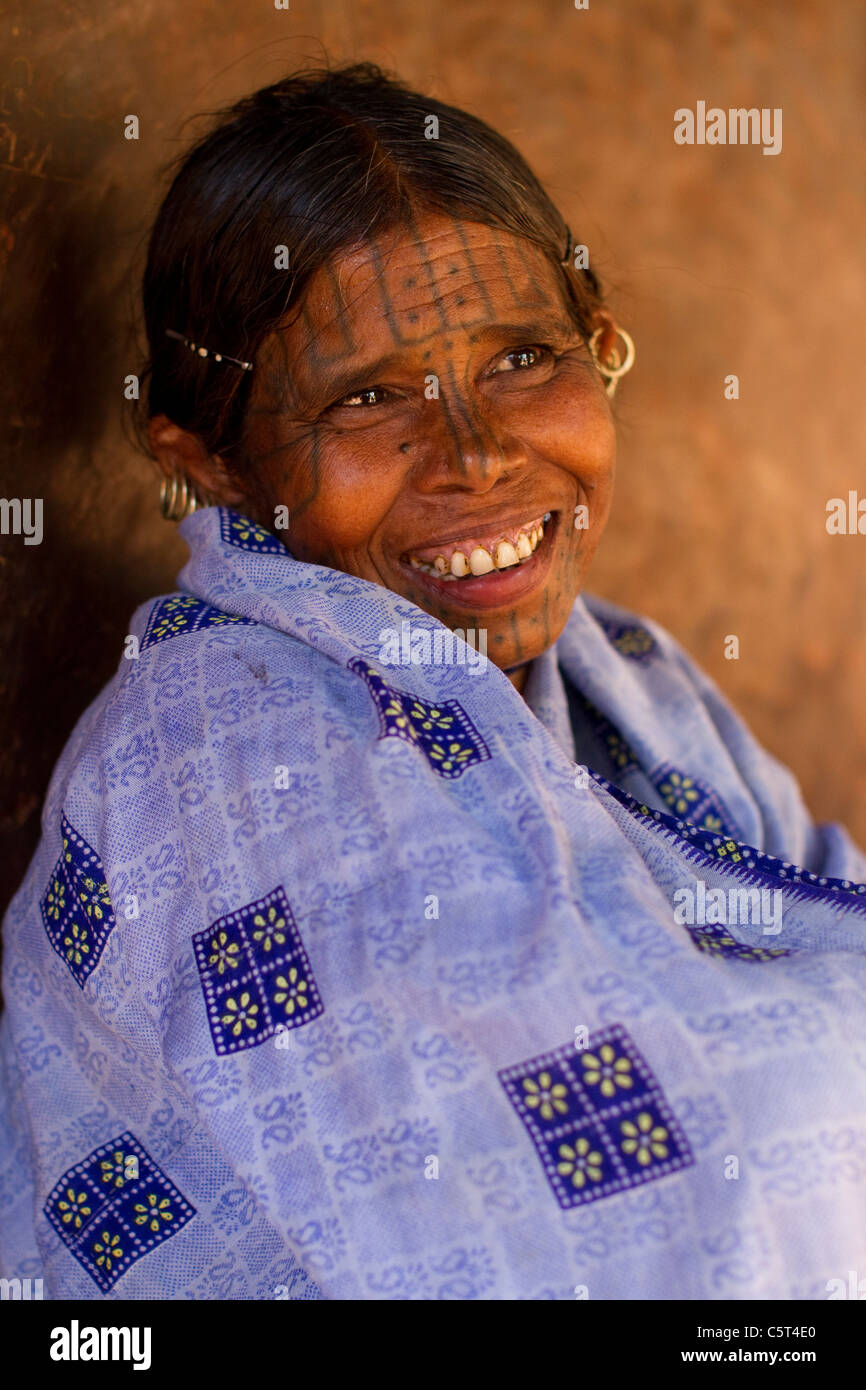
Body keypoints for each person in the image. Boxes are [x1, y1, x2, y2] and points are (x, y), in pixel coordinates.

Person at [2, 63, 864, 1301]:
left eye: (522, 358)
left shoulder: (625, 677)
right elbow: (672, 1190)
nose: (475, 455)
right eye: (367, 398)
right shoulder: (219, 756)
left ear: (600, 348)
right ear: (219, 469)